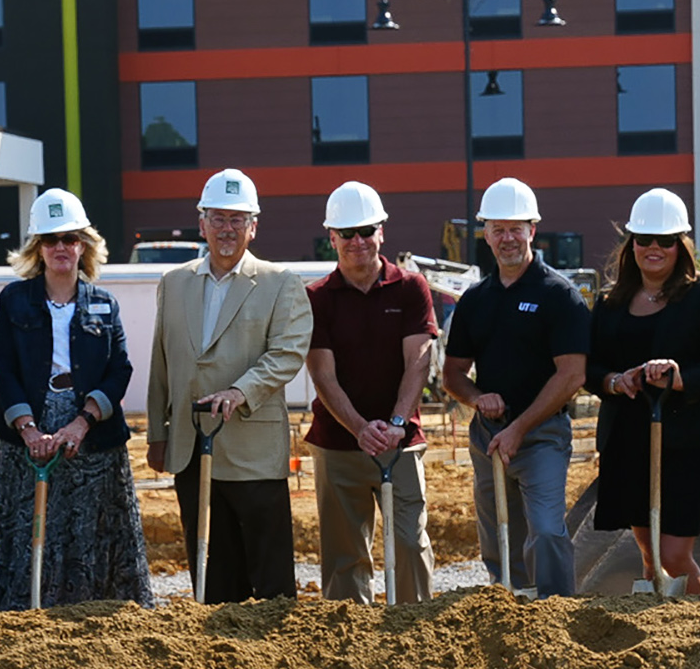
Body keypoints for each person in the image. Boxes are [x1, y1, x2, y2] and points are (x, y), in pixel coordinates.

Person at [147, 168, 313, 603]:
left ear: (253, 227)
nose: (226, 229)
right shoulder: (173, 282)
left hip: (253, 454)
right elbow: (162, 362)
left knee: (271, 578)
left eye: (237, 220)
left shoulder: (281, 283)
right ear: (201, 222)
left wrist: (241, 392)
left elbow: (287, 353)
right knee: (213, 577)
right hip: (190, 450)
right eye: (218, 218)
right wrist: (158, 435)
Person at [0, 188, 153, 609]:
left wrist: (82, 422)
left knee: (90, 529)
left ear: (84, 245)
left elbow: (121, 369)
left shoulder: (104, 303)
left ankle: (93, 614)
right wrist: (28, 429)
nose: (61, 248)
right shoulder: (13, 299)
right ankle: (25, 614)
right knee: (30, 529)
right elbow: (3, 368)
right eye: (50, 239)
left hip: (91, 437)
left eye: (70, 239)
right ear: (37, 248)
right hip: (27, 434)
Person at [584, 188, 700, 596]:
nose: (654, 248)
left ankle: (699, 629)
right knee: (649, 551)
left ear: (681, 245)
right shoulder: (610, 302)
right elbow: (590, 365)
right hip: (630, 436)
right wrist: (614, 381)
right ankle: (662, 632)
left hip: (690, 439)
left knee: (672, 555)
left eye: (666, 241)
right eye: (644, 240)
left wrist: (677, 376)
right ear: (631, 244)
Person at [442, 177, 592, 597]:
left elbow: (572, 375)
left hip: (540, 434)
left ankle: (556, 609)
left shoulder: (559, 295)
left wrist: (520, 428)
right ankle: (509, 607)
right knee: (498, 536)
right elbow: (453, 374)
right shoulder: (475, 299)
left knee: (545, 531)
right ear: (485, 233)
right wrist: (476, 398)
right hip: (488, 435)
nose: (507, 238)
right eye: (497, 229)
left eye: (515, 228)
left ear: (532, 229)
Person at [304, 180, 439, 604]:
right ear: (332, 238)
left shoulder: (411, 287)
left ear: (382, 230)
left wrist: (397, 423)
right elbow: (324, 375)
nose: (357, 241)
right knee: (344, 559)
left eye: (366, 231)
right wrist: (361, 429)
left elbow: (418, 361)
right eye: (347, 233)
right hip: (339, 444)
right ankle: (350, 644)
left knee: (411, 546)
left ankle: (414, 631)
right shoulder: (317, 297)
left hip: (401, 443)